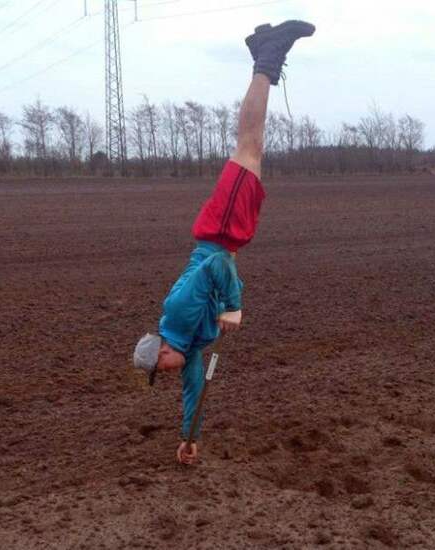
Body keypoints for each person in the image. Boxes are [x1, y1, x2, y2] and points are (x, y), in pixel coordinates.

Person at [133, 20, 315, 465]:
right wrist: (189, 437)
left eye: (162, 372)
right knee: (252, 148)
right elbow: (195, 388)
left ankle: (266, 58)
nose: (171, 377)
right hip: (227, 234)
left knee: (249, 146)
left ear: (162, 354)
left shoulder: (177, 314)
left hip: (219, 233)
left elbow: (214, 267)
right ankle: (263, 53)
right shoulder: (190, 344)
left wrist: (232, 306)